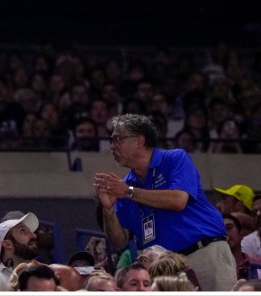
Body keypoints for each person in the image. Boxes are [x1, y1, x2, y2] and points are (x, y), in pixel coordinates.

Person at [94, 113, 235, 291]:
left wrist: (129, 192)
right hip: (164, 268)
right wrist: (108, 210)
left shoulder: (175, 158)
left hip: (204, 254)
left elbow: (178, 200)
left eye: (117, 139)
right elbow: (119, 239)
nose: (112, 146)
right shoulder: (125, 186)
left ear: (139, 140)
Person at [0, 212, 39, 291]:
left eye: (30, 231)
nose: (34, 235)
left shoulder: (45, 273)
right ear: (7, 244)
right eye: (23, 231)